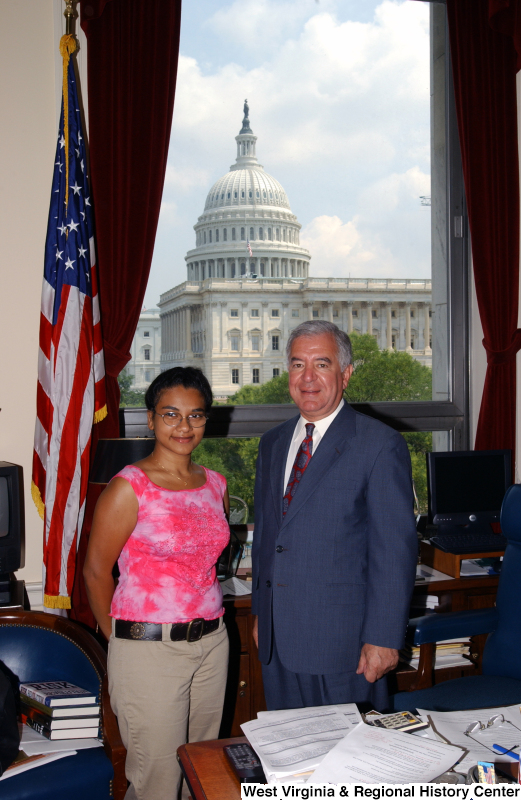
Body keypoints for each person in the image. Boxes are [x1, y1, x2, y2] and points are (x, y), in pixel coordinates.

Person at [251, 320, 418, 711]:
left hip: (346, 648)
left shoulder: (379, 444)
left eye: (321, 364)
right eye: (297, 364)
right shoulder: (272, 444)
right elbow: (268, 540)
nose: (307, 377)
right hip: (277, 642)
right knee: (290, 761)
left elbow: (393, 551)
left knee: (347, 765)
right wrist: (262, 613)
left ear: (345, 374)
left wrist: (384, 637)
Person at [84, 367, 230, 800]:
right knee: (157, 783)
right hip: (148, 649)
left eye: (195, 415)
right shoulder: (129, 488)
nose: (184, 426)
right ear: (150, 419)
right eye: (170, 414)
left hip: (212, 642)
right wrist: (124, 644)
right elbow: (95, 571)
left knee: (200, 768)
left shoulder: (215, 483)